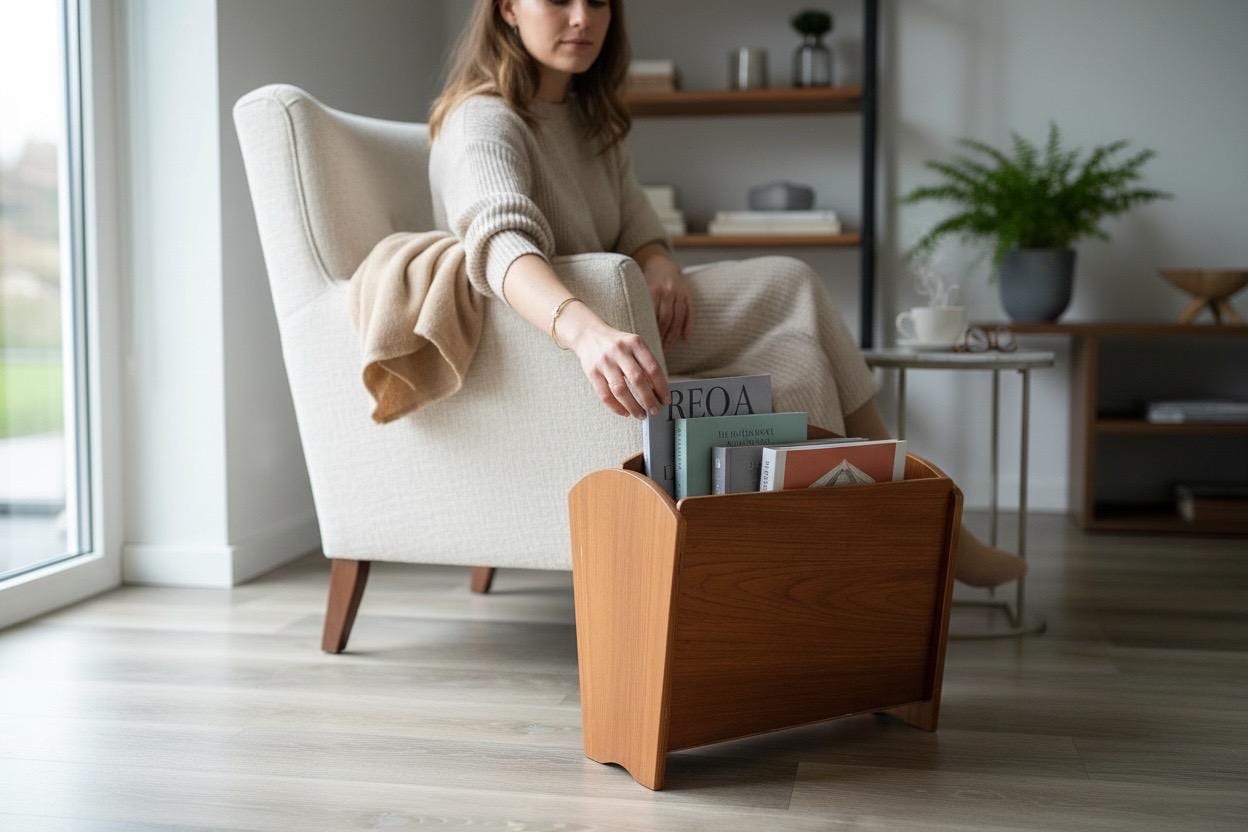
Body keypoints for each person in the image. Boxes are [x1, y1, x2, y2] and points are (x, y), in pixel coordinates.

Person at [428, 0, 1027, 588]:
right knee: (791, 281)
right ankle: (923, 516)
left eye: (600, 1)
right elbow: (498, 242)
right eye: (559, 0)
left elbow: (640, 226)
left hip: (634, 323)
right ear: (506, 8)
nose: (583, 18)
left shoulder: (590, 121)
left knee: (799, 364)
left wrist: (660, 263)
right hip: (575, 349)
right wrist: (586, 332)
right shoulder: (484, 120)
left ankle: (825, 579)